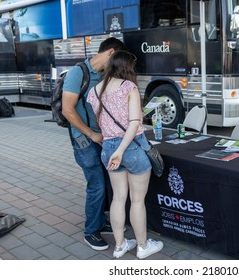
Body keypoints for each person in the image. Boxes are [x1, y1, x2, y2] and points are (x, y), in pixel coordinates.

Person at [87, 50, 164, 259]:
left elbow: (100, 122)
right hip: (128, 149)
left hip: (108, 148)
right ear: (126, 67)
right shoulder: (128, 87)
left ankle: (120, 246)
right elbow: (133, 123)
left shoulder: (94, 91)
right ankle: (142, 246)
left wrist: (115, 150)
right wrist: (121, 151)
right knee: (137, 201)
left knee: (118, 199)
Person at [62, 37, 127, 251]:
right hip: (85, 140)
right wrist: (91, 134)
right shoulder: (77, 73)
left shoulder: (103, 75)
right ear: (110, 53)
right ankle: (91, 231)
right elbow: (67, 110)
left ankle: (100, 220)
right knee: (97, 185)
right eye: (116, 59)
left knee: (106, 184)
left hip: (103, 138)